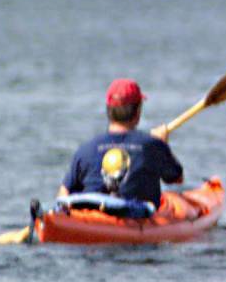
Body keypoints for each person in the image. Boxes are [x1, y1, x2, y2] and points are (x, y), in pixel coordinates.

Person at [58, 78, 184, 208]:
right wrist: (163, 143)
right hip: (136, 221)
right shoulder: (153, 146)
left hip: (92, 219)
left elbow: (64, 193)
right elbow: (177, 178)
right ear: (138, 112)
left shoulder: (85, 150)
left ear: (108, 111)